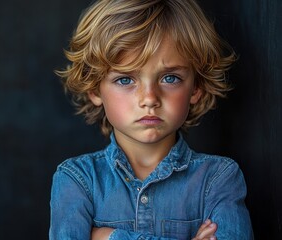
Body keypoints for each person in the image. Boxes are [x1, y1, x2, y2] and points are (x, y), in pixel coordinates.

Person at [50, 0, 254, 239]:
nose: (149, 99)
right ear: (95, 90)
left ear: (196, 87)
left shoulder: (219, 178)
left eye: (170, 78)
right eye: (125, 80)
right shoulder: (77, 179)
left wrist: (109, 236)